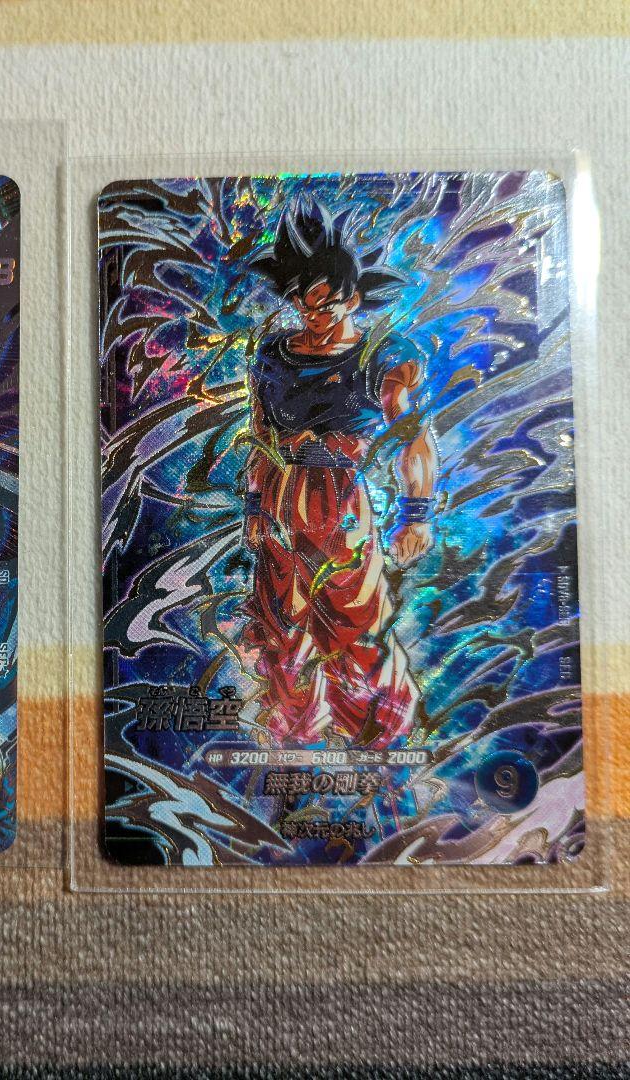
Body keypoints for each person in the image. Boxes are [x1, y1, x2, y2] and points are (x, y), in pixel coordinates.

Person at [241, 196, 438, 749]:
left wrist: (417, 513)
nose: (316, 319)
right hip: (281, 504)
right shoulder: (272, 354)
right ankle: (293, 741)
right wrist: (254, 506)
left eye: (327, 306)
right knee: (282, 632)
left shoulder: (381, 356)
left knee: (356, 629)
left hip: (341, 507)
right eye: (305, 307)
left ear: (352, 298)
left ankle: (381, 740)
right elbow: (260, 435)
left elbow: (413, 437)